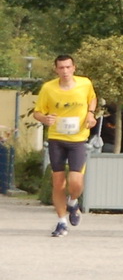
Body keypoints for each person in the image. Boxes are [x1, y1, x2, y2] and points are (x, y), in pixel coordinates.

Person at [32, 54, 97, 237]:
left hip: (77, 140)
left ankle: (73, 202)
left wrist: (91, 114)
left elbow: (92, 99)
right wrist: (44, 118)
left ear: (74, 68)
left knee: (75, 182)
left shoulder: (85, 84)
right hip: (57, 139)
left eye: (68, 67)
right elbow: (37, 112)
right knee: (58, 183)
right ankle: (61, 222)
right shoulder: (48, 88)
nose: (65, 71)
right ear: (56, 70)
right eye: (61, 68)